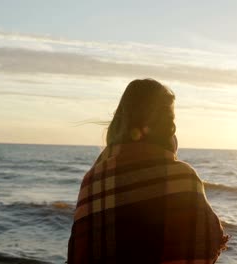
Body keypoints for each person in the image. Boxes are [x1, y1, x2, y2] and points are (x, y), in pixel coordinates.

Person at [67, 79, 228, 263]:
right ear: (166, 126)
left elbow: (81, 252)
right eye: (170, 119)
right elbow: (206, 242)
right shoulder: (182, 177)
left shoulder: (95, 178)